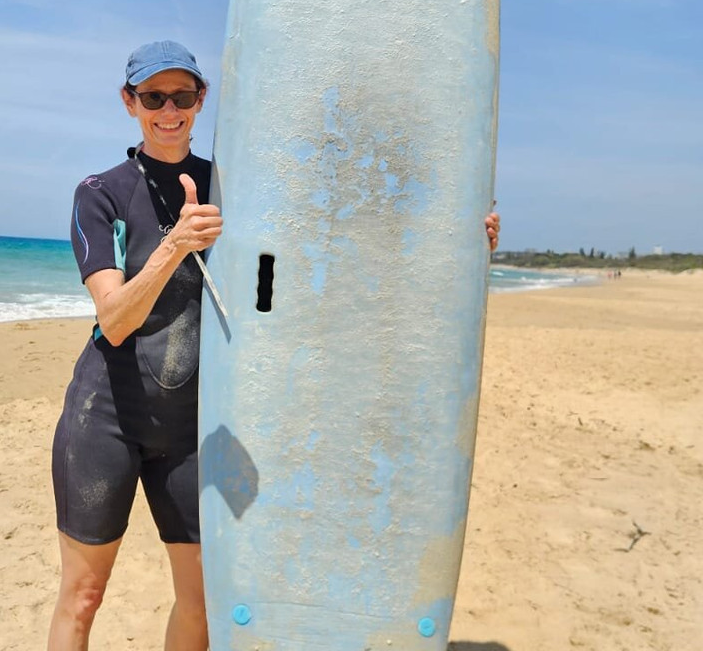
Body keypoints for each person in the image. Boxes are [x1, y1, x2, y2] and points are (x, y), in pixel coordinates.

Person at [47, 41, 501, 651]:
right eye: (153, 97)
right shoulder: (100, 192)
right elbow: (115, 317)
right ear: (130, 103)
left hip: (195, 428)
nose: (169, 110)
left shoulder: (235, 189)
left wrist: (456, 234)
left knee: (204, 603)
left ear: (201, 100)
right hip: (105, 415)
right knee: (84, 595)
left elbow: (337, 256)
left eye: (182, 96)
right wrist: (176, 245)